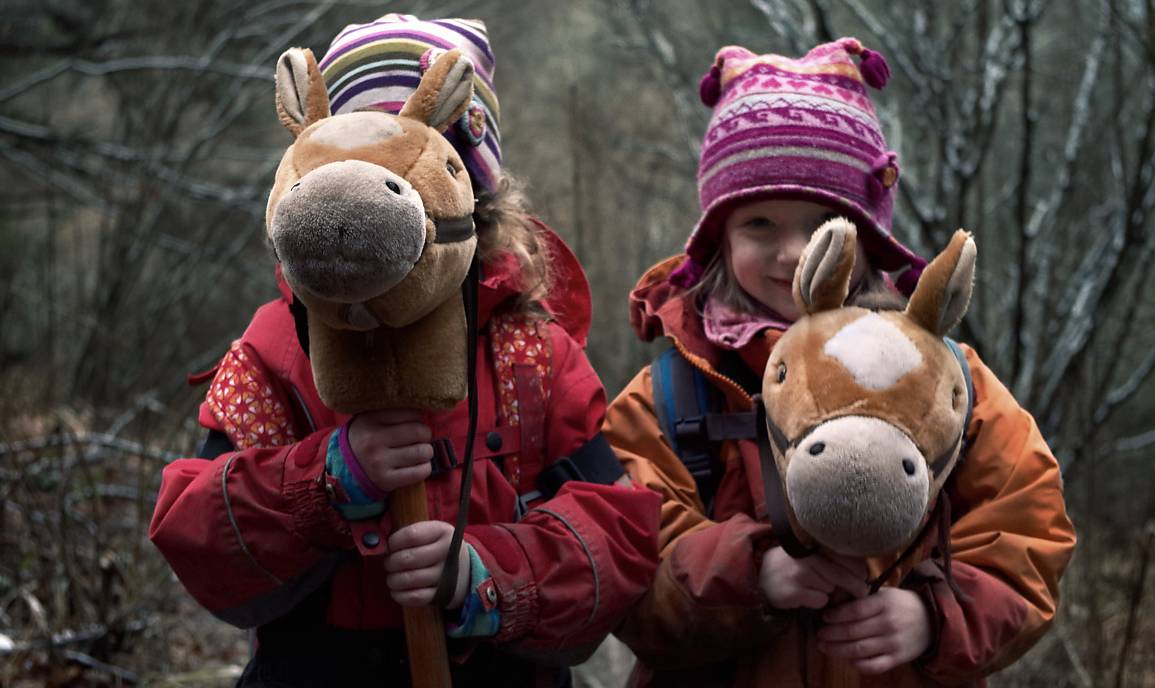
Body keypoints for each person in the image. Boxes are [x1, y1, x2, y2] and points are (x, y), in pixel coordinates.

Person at [149, 14, 660, 687]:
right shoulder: (274, 351)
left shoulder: (531, 354)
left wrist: (486, 573)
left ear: (472, 192)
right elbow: (197, 531)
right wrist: (327, 479)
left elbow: (619, 534)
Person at [605, 39, 1076, 686]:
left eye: (825, 225)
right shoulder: (671, 394)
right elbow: (625, 566)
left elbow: (1028, 530)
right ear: (718, 238)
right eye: (760, 225)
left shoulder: (942, 376)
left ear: (872, 236)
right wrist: (751, 575)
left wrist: (934, 616)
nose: (793, 254)